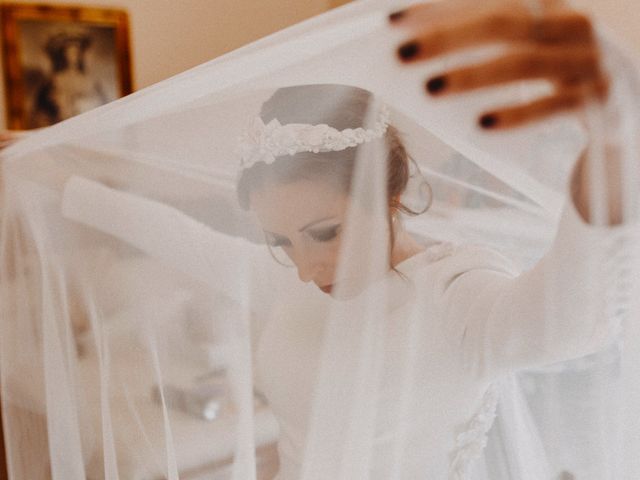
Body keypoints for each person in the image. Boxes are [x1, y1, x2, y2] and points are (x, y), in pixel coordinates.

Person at [15, 1, 637, 479]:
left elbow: (568, 322)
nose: (308, 269)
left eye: (326, 232)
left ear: (389, 193)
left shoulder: (457, 294)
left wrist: (616, 145)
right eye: (281, 241)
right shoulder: (279, 280)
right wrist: (44, 174)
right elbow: (171, 230)